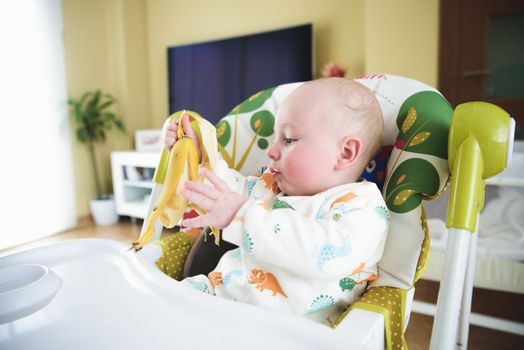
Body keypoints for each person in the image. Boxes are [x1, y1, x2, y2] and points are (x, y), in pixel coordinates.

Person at [161, 77, 388, 324]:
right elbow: (224, 189)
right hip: (219, 296)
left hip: (286, 331)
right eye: (275, 138)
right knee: (156, 307)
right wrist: (198, 157)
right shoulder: (270, 186)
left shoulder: (363, 208)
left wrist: (242, 216)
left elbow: (326, 255)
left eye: (288, 139)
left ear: (345, 153)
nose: (271, 150)